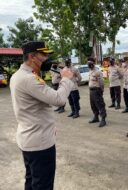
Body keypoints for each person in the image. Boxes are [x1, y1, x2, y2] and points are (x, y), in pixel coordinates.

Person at [10, 41, 74, 190]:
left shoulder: (19, 75)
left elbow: (33, 109)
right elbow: (59, 99)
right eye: (43, 55)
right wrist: (65, 79)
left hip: (30, 138)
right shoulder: (29, 79)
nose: (47, 58)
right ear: (32, 57)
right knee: (43, 185)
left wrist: (48, 125)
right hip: (39, 143)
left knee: (32, 181)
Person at [88, 57, 107, 127]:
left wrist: (101, 91)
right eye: (88, 63)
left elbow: (101, 82)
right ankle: (96, 117)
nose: (89, 64)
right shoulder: (90, 71)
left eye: (90, 63)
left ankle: (103, 119)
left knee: (100, 105)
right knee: (93, 105)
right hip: (91, 91)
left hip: (97, 90)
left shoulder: (98, 72)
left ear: (94, 63)